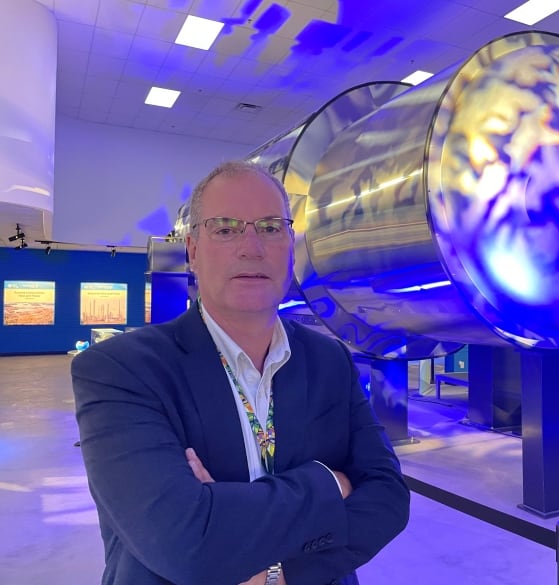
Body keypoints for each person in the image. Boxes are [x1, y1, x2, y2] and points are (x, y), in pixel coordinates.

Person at [71, 160, 410, 585]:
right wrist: (330, 482)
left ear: (290, 243)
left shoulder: (331, 360)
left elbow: (388, 497)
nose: (252, 247)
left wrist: (280, 573)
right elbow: (184, 542)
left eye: (270, 227)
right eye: (226, 228)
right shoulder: (122, 369)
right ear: (193, 249)